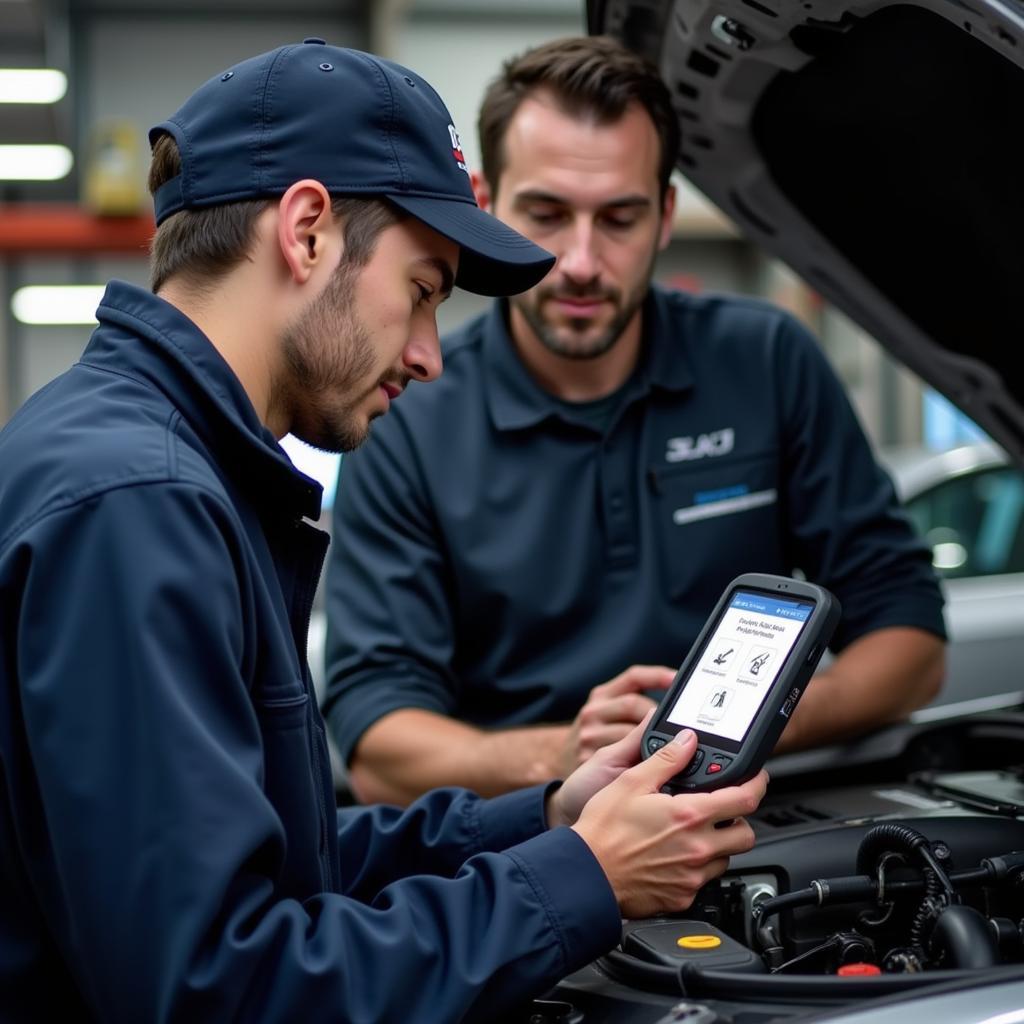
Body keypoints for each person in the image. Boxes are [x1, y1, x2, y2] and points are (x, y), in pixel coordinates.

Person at [0, 41, 769, 1023]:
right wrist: (582, 879)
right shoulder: (137, 504)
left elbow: (288, 870)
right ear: (308, 230)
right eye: (422, 292)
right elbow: (219, 991)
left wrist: (546, 821)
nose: (428, 356)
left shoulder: (158, 467)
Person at [322, 35, 948, 807]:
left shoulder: (767, 361)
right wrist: (574, 752)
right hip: (523, 855)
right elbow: (378, 744)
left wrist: (721, 729)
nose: (580, 261)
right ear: (484, 206)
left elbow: (911, 642)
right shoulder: (410, 415)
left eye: (618, 217)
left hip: (751, 830)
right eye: (546, 214)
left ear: (665, 215)